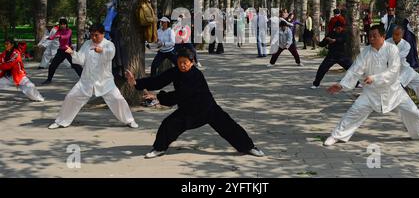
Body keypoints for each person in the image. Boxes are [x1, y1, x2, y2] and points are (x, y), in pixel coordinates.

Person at [124, 48, 264, 158]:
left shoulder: (196, 75)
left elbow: (180, 94)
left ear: (192, 62)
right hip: (188, 110)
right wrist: (137, 83)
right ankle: (159, 148)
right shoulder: (176, 71)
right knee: (168, 125)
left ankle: (249, 147)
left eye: (185, 62)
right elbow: (159, 80)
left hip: (207, 108)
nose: (182, 65)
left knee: (229, 127)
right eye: (179, 62)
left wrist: (158, 98)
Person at [323, 25, 419, 146]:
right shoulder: (366, 51)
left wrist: (375, 78)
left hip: (394, 91)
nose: (371, 39)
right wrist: (342, 85)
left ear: (383, 36)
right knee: (354, 112)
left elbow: (394, 70)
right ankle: (336, 136)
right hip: (371, 92)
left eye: (374, 36)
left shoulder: (392, 49)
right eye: (370, 36)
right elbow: (355, 70)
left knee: (414, 112)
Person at [48, 24, 138, 129]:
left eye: (96, 35)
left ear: (103, 34)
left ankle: (129, 120)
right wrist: (72, 53)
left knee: (118, 99)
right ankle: (61, 121)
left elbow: (111, 54)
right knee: (71, 97)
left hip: (105, 80)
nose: (94, 38)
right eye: (92, 35)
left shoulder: (109, 44)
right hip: (87, 80)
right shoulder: (87, 44)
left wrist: (102, 51)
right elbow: (81, 59)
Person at [387, 26, 419, 109]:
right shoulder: (387, 43)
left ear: (402, 35)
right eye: (394, 34)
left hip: (405, 70)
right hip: (392, 70)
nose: (395, 36)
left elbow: (400, 57)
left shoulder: (406, 45)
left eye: (397, 34)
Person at [311, 22, 353, 89]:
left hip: (342, 55)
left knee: (352, 68)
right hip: (331, 55)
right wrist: (316, 41)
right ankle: (316, 84)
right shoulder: (331, 33)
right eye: (337, 28)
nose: (338, 29)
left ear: (342, 28)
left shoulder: (344, 33)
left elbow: (342, 40)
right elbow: (322, 44)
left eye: (340, 28)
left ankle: (357, 83)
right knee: (322, 68)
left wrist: (334, 40)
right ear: (335, 28)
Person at [41, 18, 83, 85]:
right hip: (61, 51)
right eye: (61, 24)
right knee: (52, 65)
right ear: (59, 25)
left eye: (64, 24)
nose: (63, 25)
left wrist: (60, 36)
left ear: (66, 25)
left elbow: (67, 36)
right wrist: (48, 38)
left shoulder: (69, 30)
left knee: (75, 65)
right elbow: (53, 36)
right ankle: (49, 79)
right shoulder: (58, 31)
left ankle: (84, 79)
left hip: (68, 50)